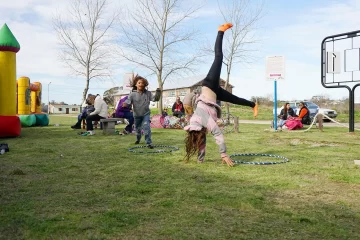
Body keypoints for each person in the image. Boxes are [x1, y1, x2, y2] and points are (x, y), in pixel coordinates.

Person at [184, 23, 258, 167]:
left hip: (209, 85)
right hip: (215, 94)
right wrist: (200, 160)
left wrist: (223, 155)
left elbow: (219, 135)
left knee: (218, 57)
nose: (204, 135)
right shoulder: (196, 126)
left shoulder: (204, 122)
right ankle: (254, 105)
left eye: (202, 134)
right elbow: (201, 141)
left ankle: (220, 31)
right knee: (235, 99)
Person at [123, 75, 161, 148]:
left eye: (142, 83)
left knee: (147, 127)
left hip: (145, 114)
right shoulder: (132, 94)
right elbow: (128, 101)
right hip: (137, 115)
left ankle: (148, 143)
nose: (141, 84)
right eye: (139, 83)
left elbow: (155, 99)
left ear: (145, 84)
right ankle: (138, 139)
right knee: (137, 129)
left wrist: (158, 92)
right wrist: (125, 103)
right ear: (136, 84)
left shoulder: (148, 93)